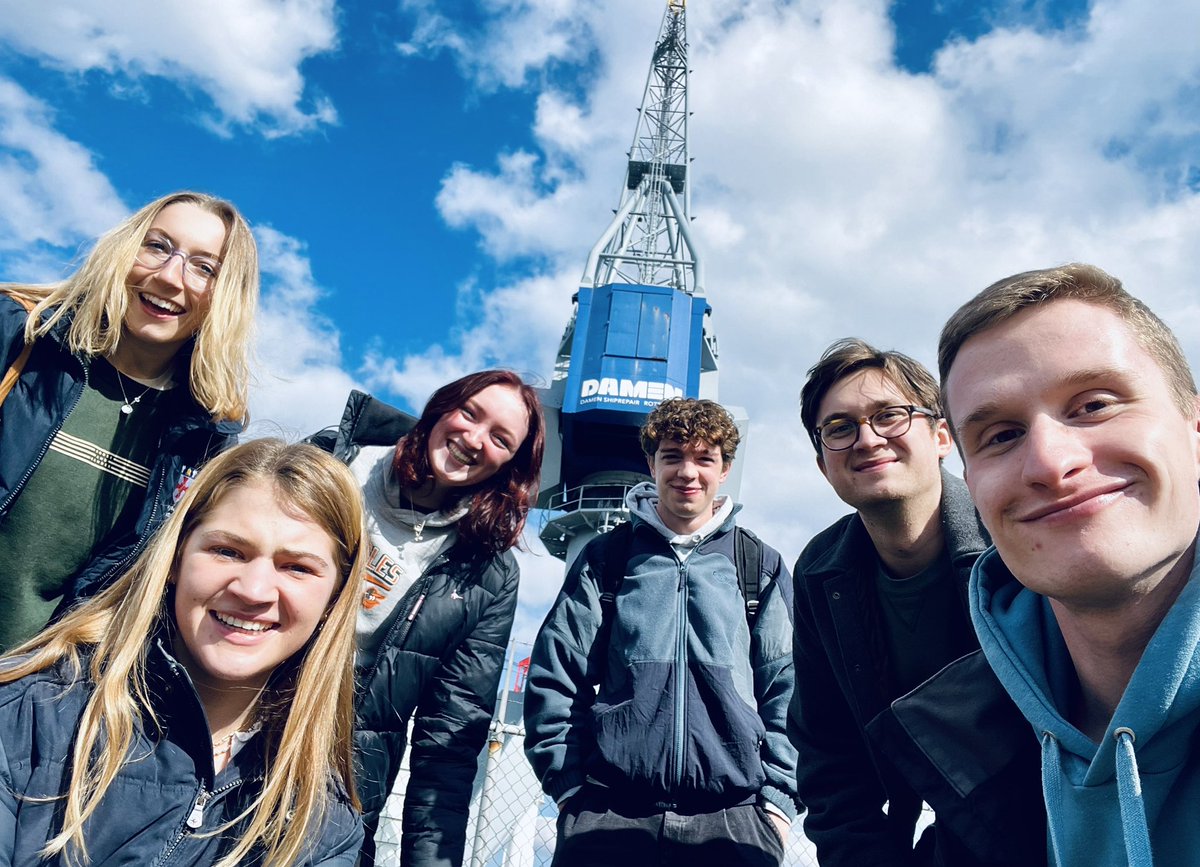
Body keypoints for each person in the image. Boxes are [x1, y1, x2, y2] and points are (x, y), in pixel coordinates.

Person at [936, 264, 1200, 866]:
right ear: (971, 485)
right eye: (1000, 435)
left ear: (1195, 433)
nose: (1050, 463)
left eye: (1094, 404)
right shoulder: (962, 746)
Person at [0, 438, 366, 866]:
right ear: (175, 559)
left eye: (297, 567)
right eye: (227, 551)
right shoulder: (27, 716)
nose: (253, 591)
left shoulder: (326, 827)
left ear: (333, 599)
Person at [524, 397, 799, 867]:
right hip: (608, 815)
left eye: (704, 458)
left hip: (734, 820)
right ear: (652, 463)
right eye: (673, 456)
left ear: (724, 469)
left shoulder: (759, 566)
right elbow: (556, 673)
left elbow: (790, 689)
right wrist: (570, 790)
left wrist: (777, 804)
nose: (687, 472)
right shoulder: (606, 560)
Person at [0, 190, 258, 649]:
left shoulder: (205, 435)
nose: (169, 277)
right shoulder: (19, 335)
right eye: (157, 246)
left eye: (204, 268)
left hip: (30, 689)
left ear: (226, 296)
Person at [309, 370, 545, 867]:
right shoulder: (332, 464)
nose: (474, 440)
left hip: (338, 795)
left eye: (500, 439)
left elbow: (448, 746)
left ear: (513, 466)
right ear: (441, 407)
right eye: (469, 414)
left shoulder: (488, 574)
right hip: (231, 739)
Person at [789, 338, 1000, 866]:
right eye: (840, 428)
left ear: (942, 436)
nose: (867, 439)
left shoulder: (1011, 531)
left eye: (890, 416)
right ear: (823, 464)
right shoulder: (821, 572)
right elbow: (828, 756)